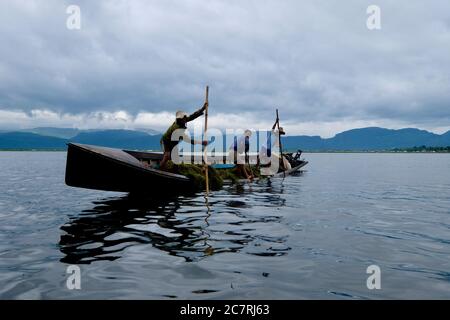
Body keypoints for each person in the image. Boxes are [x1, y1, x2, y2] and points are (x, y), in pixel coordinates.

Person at [160, 102, 208, 170]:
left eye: (185, 118)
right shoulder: (176, 128)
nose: (185, 120)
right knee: (167, 155)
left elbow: (193, 116)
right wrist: (201, 143)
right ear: (180, 120)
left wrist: (203, 108)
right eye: (183, 119)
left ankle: (174, 170)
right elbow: (187, 140)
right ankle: (160, 168)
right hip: (166, 141)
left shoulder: (183, 120)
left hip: (173, 142)